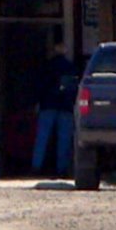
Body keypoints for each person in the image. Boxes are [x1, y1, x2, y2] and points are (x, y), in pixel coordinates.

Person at [31, 41, 79, 178]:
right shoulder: (70, 67)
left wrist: (38, 102)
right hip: (65, 106)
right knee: (64, 139)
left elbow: (40, 86)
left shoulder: (47, 66)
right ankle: (61, 169)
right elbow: (72, 88)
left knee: (42, 137)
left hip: (47, 105)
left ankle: (36, 167)